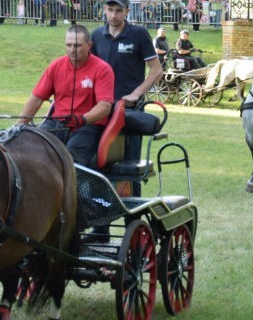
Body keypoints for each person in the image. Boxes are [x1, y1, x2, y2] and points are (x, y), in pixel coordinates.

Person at [88, 0, 162, 242]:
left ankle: (134, 229)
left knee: (130, 170)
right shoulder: (96, 35)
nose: (113, 15)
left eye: (118, 10)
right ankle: (101, 229)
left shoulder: (138, 34)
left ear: (127, 11)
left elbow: (155, 70)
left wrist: (137, 94)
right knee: (99, 169)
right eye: (110, 10)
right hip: (102, 111)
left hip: (128, 114)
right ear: (104, 10)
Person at [16, 25, 115, 168]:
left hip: (87, 127)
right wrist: (18, 126)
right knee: (30, 150)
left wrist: (82, 119)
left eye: (77, 45)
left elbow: (105, 106)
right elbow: (37, 98)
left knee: (70, 161)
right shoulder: (56, 66)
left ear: (89, 45)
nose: (72, 50)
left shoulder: (102, 69)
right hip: (56, 123)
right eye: (68, 45)